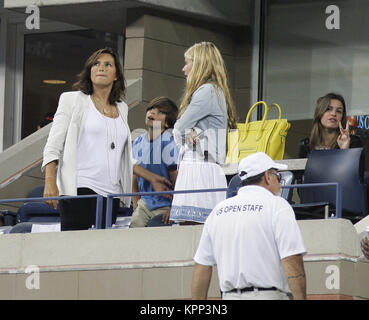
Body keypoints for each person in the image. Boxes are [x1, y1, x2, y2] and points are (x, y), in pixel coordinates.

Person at [42, 47, 172, 231]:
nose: (101, 68)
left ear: (116, 75)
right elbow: (53, 144)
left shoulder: (122, 108)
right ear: (89, 71)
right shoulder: (72, 100)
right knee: (77, 251)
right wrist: (49, 181)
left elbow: (123, 156)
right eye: (96, 64)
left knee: (98, 253)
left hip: (111, 194)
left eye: (107, 64)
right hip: (80, 189)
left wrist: (152, 178)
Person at [192, 152, 307, 300]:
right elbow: (291, 259)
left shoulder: (218, 211)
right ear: (267, 176)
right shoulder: (277, 206)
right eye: (278, 177)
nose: (279, 182)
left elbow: (202, 266)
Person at [169, 41, 238, 224]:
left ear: (199, 64)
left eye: (187, 63)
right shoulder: (214, 91)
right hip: (205, 168)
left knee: (192, 229)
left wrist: (186, 134)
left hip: (199, 169)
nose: (184, 69)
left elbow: (178, 129)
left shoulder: (207, 91)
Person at [129, 97, 179, 228]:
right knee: (134, 228)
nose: (153, 112)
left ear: (167, 123)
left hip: (166, 204)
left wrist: (174, 207)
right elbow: (134, 176)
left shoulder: (169, 143)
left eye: (161, 112)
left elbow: (177, 179)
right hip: (144, 203)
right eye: (151, 108)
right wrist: (136, 204)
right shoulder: (138, 142)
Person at [298, 93, 362, 158]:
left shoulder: (354, 142)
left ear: (342, 117)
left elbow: (354, 167)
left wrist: (344, 149)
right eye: (328, 109)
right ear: (319, 113)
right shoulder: (306, 144)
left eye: (339, 111)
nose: (333, 114)